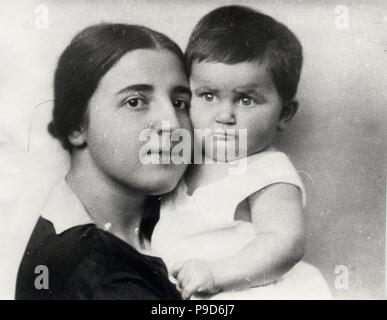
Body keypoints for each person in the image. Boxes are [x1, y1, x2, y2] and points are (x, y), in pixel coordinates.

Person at [151, 6, 332, 299]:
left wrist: (216, 274)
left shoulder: (268, 171)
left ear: (284, 114)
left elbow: (284, 243)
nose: (224, 115)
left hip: (244, 290)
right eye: (208, 96)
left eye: (246, 100)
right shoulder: (186, 153)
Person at [15, 23, 192, 299]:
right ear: (76, 126)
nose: (171, 123)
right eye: (135, 102)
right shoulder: (101, 277)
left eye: (180, 102)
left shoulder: (159, 221)